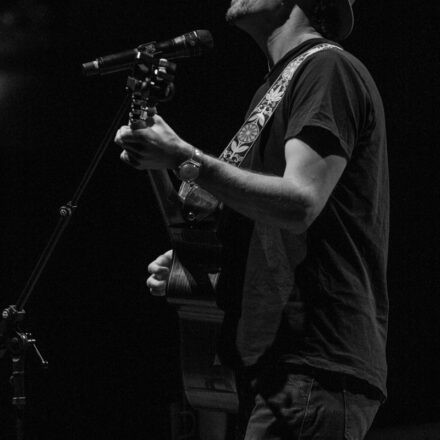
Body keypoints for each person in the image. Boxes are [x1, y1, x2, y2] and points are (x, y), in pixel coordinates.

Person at [114, 0, 389, 438]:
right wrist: (197, 264)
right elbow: (272, 222)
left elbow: (300, 202)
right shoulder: (273, 88)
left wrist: (187, 157)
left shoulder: (328, 68)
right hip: (277, 365)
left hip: (312, 361)